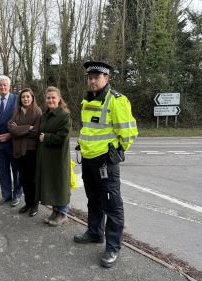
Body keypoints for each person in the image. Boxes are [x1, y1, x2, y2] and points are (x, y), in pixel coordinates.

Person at [74, 61, 138, 268]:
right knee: (93, 199)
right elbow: (90, 129)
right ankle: (94, 233)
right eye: (90, 78)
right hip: (88, 159)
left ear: (106, 79)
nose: (92, 81)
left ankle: (113, 248)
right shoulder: (87, 100)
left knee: (113, 205)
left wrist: (118, 151)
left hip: (105, 162)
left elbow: (128, 132)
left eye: (97, 78)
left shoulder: (116, 100)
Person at [35, 86, 72, 226]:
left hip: (58, 157)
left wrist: (47, 138)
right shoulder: (46, 114)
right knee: (52, 184)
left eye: (53, 98)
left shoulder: (64, 116)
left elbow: (63, 137)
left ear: (59, 99)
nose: (50, 100)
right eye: (48, 98)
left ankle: (62, 213)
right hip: (47, 157)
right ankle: (55, 211)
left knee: (60, 184)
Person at [8, 88, 42, 217]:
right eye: (23, 97)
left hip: (31, 150)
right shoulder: (17, 112)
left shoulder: (37, 112)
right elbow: (11, 129)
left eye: (28, 97)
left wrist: (20, 130)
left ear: (32, 98)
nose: (25, 99)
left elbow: (36, 131)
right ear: (20, 99)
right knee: (23, 179)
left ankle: (34, 204)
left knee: (32, 179)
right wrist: (28, 128)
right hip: (18, 150)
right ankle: (27, 203)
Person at [0, 75, 22, 207]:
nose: (3, 87)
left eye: (5, 85)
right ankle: (6, 195)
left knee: (16, 171)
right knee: (3, 171)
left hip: (14, 142)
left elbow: (22, 120)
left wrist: (11, 134)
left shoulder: (17, 99)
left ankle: (17, 195)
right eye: (0, 85)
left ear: (9, 86)